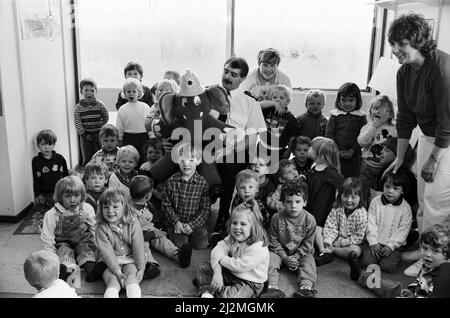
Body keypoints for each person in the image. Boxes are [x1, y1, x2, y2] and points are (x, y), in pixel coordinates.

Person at [383, 13, 450, 277]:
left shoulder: (441, 69)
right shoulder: (404, 72)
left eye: (401, 44)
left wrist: (434, 160)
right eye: (393, 44)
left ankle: (434, 260)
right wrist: (400, 158)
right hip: (427, 136)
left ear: (419, 41)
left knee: (436, 201)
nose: (395, 50)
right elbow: (405, 118)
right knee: (423, 197)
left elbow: (447, 122)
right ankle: (426, 248)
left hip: (446, 139)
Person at [214, 57, 267, 232]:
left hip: (235, 151)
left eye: (234, 74)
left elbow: (251, 140)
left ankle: (224, 217)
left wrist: (227, 151)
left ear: (243, 79)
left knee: (228, 166)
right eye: (226, 71)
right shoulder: (209, 96)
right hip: (208, 146)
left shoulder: (250, 102)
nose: (227, 76)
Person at [349, 224, 450, 298]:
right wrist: (411, 291)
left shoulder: (445, 272)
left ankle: (361, 276)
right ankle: (360, 275)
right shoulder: (429, 264)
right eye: (425, 248)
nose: (427, 254)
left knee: (392, 288)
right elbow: (420, 282)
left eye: (435, 251)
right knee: (392, 287)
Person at [195, 201, 270, 298]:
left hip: (250, 282)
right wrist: (217, 273)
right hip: (232, 273)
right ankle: (208, 292)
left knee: (231, 296)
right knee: (203, 268)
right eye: (234, 223)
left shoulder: (258, 246)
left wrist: (221, 259)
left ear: (253, 227)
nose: (237, 227)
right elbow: (217, 249)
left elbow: (240, 266)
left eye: (243, 224)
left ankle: (210, 288)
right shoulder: (232, 238)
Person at [40, 176, 104, 282]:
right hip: (63, 241)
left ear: (82, 195)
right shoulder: (52, 214)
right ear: (60, 197)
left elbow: (94, 228)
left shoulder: (86, 208)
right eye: (67, 196)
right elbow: (47, 237)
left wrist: (98, 246)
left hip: (82, 239)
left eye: (76, 195)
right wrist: (52, 257)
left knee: (86, 247)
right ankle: (67, 273)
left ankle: (92, 270)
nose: (72, 200)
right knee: (64, 251)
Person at [262, 179, 317, 298]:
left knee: (309, 262)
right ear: (282, 202)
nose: (293, 206)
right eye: (288, 202)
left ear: (305, 202)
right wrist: (285, 257)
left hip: (302, 253)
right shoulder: (276, 218)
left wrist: (297, 256)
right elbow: (273, 241)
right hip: (280, 251)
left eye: (298, 201)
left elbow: (308, 244)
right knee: (269, 259)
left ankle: (305, 288)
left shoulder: (310, 220)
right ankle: (272, 288)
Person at [129, 175, 192, 271]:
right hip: (138, 236)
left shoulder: (144, 203)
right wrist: (154, 233)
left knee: (162, 240)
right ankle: (148, 264)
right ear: (147, 196)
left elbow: (153, 218)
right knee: (143, 247)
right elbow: (133, 234)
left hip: (149, 228)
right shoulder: (130, 212)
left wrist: (158, 231)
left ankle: (178, 256)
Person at [95, 188, 145, 298]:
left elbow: (138, 246)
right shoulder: (101, 228)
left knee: (131, 275)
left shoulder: (133, 223)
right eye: (106, 207)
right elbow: (107, 252)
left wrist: (141, 268)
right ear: (101, 208)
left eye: (115, 207)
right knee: (112, 281)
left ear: (125, 208)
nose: (110, 211)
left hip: (129, 258)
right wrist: (117, 272)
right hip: (108, 261)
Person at [361, 170, 412, 274]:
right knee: (366, 263)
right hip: (375, 240)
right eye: (387, 186)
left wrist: (391, 245)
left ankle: (411, 237)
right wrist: (373, 242)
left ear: (402, 190)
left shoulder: (406, 208)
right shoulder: (375, 202)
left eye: (395, 188)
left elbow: (403, 230)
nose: (390, 191)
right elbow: (370, 223)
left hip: (392, 244)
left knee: (388, 267)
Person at [162, 143, 211, 250]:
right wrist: (176, 222)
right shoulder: (171, 181)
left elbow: (205, 208)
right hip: (176, 222)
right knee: (180, 244)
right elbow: (166, 205)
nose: (186, 164)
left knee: (201, 245)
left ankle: (191, 234)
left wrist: (192, 225)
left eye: (191, 160)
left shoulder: (202, 183)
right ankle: (171, 232)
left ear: (198, 161)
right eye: (182, 160)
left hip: (194, 222)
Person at [305, 137, 344, 266]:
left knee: (317, 227)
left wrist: (338, 200)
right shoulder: (315, 166)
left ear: (321, 155)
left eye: (311, 148)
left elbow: (342, 185)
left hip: (322, 205)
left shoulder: (329, 172)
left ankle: (324, 251)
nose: (308, 149)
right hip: (312, 202)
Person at [358, 95, 397, 203]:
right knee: (364, 192)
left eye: (382, 109)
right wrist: (373, 127)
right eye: (375, 108)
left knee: (382, 192)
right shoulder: (367, 127)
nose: (378, 111)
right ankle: (363, 212)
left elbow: (396, 149)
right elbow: (363, 143)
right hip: (367, 165)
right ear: (370, 112)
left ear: (390, 114)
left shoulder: (394, 130)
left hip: (385, 167)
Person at [325, 82, 367, 178]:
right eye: (344, 100)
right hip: (336, 153)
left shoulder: (361, 116)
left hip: (354, 154)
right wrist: (337, 150)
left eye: (351, 100)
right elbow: (329, 134)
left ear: (357, 100)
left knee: (352, 179)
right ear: (339, 100)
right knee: (336, 176)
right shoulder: (335, 115)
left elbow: (363, 136)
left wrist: (352, 150)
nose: (347, 103)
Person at [322, 178, 368, 263]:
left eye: (353, 197)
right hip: (335, 240)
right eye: (345, 196)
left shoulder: (362, 214)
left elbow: (359, 237)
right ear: (340, 195)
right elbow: (330, 226)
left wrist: (342, 243)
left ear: (360, 198)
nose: (349, 200)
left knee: (355, 251)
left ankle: (333, 251)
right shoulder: (337, 209)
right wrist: (329, 240)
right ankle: (327, 248)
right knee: (318, 230)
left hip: (352, 244)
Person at [259, 84, 301, 159]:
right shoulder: (268, 110)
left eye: (281, 98)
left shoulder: (291, 118)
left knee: (275, 170)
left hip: (279, 151)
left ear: (287, 101)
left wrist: (288, 151)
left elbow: (292, 137)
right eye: (274, 97)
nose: (277, 100)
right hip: (262, 147)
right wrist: (273, 103)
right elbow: (258, 105)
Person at [116, 78, 151, 166]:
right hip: (129, 137)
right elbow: (120, 125)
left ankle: (143, 175)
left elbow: (150, 122)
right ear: (124, 94)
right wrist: (120, 138)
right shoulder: (123, 108)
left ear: (139, 93)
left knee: (143, 158)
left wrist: (152, 136)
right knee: (129, 158)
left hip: (144, 137)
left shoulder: (145, 107)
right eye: (128, 91)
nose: (131, 93)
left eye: (134, 91)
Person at [73, 78, 109, 165]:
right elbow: (77, 122)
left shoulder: (100, 105)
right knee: (87, 154)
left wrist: (102, 125)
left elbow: (106, 116)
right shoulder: (78, 108)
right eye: (86, 90)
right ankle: (87, 171)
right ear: (81, 92)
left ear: (96, 92)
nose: (89, 93)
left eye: (92, 90)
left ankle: (99, 170)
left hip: (99, 134)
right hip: (85, 135)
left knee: (100, 154)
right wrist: (84, 134)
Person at [32, 130, 69, 212]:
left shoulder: (60, 158)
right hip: (45, 193)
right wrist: (37, 194)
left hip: (60, 191)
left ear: (53, 145)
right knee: (47, 210)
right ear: (38, 146)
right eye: (43, 144)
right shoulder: (36, 161)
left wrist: (68, 188)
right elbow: (35, 179)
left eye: (49, 144)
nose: (46, 147)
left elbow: (66, 175)